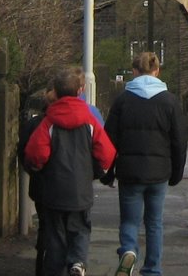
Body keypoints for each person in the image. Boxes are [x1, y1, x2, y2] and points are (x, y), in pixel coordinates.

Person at [25, 67, 117, 276]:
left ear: (55, 92)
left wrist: (38, 169)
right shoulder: (89, 121)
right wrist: (96, 172)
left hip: (54, 190)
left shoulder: (49, 122)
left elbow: (35, 153)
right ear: (80, 90)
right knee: (81, 230)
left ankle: (56, 269)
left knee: (55, 237)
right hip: (80, 190)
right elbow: (107, 153)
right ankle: (77, 262)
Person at [103, 51, 187, 276]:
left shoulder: (122, 101)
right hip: (159, 173)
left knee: (129, 220)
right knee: (154, 223)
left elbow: (109, 139)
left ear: (134, 71)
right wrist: (176, 172)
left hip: (129, 172)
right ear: (157, 71)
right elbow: (179, 140)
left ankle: (129, 251)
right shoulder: (170, 101)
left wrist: (107, 173)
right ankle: (152, 269)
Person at [18, 85, 57, 276]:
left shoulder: (35, 125)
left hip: (41, 186)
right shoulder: (83, 122)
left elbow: (24, 153)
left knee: (45, 227)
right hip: (73, 189)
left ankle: (42, 267)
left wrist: (33, 171)